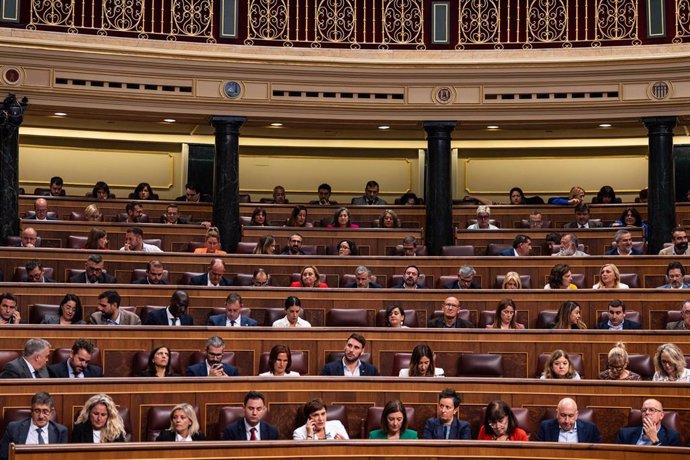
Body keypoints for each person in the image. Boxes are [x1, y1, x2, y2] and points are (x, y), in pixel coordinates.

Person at [0, 392, 67, 460]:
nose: (41, 416)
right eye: (37, 411)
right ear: (31, 411)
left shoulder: (61, 432)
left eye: (45, 411)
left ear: (51, 412)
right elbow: (3, 456)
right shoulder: (14, 428)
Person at [615, 399, 680, 446]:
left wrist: (655, 440)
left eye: (652, 410)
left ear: (661, 415)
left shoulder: (672, 437)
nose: (647, 413)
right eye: (644, 410)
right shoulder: (624, 434)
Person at [536, 397, 601, 443]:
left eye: (571, 416)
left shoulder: (590, 429)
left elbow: (598, 454)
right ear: (557, 414)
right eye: (563, 415)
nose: (567, 421)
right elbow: (538, 453)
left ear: (576, 415)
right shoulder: (545, 427)